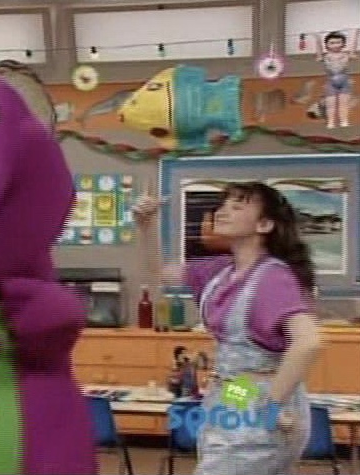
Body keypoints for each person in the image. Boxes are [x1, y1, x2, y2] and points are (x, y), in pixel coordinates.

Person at [134, 181, 322, 475]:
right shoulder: (220, 271)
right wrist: (146, 225)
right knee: (220, 449)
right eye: (223, 205)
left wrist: (273, 405)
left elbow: (308, 342)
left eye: (237, 206)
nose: (222, 212)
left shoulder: (274, 277)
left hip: (265, 394)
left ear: (264, 224)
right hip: (236, 388)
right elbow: (158, 273)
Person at [315, 29, 359, 129]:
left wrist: (356, 34)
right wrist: (317, 39)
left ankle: (344, 122)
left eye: (338, 42)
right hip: (331, 82)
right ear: (327, 45)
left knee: (344, 103)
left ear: (343, 43)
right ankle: (331, 123)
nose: (335, 45)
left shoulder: (346, 55)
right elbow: (319, 54)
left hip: (344, 82)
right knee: (330, 104)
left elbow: (353, 49)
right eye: (332, 43)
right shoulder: (326, 56)